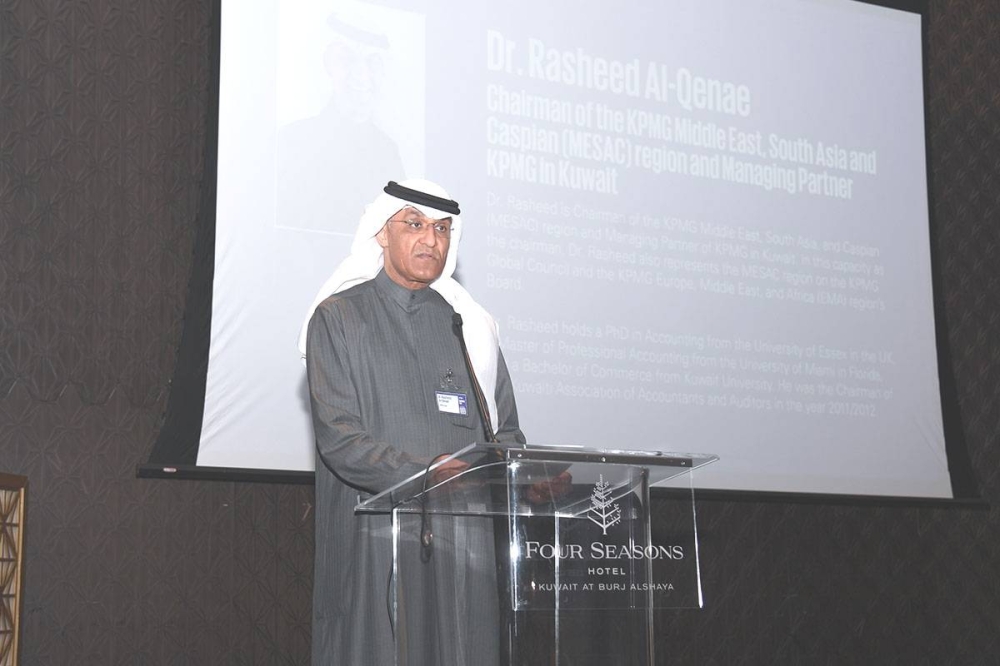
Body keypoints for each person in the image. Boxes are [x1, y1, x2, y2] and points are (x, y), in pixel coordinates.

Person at [299, 179, 526, 665]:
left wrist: (524, 480)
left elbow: (506, 433)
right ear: (382, 233)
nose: (431, 239)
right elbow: (340, 439)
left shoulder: (469, 327)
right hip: (376, 539)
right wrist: (424, 473)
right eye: (415, 224)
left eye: (442, 229)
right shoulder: (339, 319)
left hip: (463, 544)